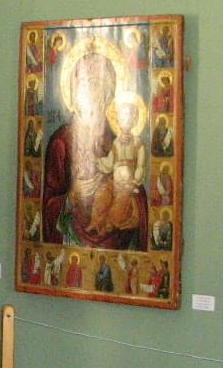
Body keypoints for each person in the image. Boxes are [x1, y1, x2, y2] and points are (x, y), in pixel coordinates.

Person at [42, 51, 148, 251]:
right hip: (73, 242)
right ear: (74, 91)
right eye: (83, 83)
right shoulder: (61, 142)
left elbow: (139, 195)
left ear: (109, 93)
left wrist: (131, 202)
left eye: (96, 84)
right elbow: (47, 207)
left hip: (118, 244)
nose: (89, 92)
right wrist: (72, 196)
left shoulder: (120, 141)